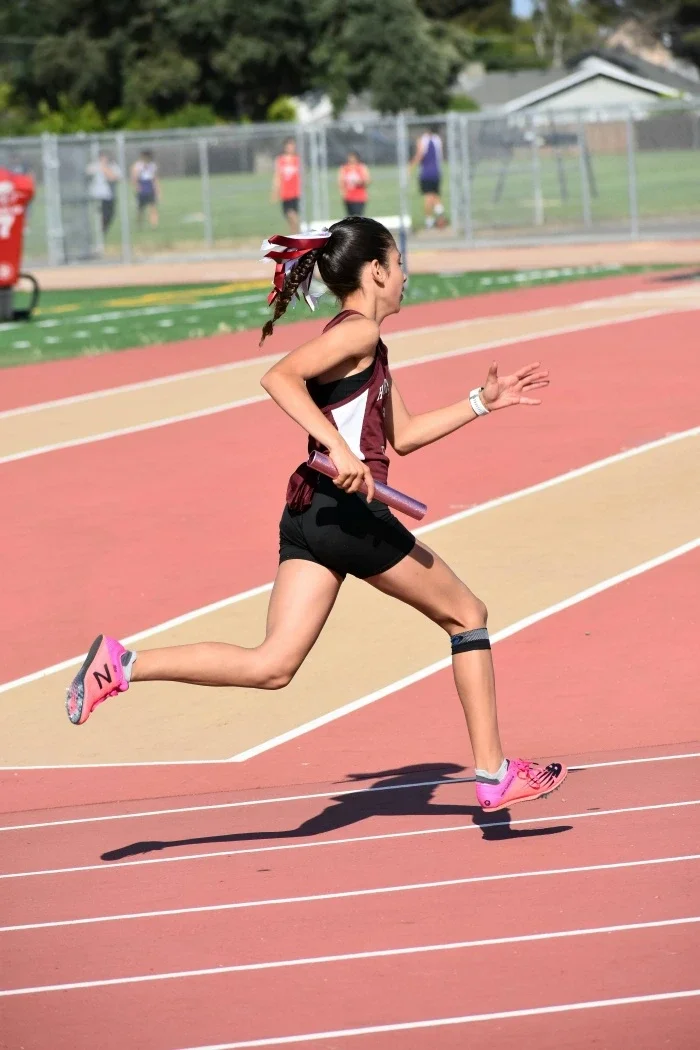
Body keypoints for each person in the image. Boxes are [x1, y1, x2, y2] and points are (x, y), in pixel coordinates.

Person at [64, 217, 567, 814]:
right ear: (376, 271)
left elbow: (401, 436)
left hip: (312, 511)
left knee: (272, 665)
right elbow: (279, 377)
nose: (406, 275)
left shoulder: (367, 344)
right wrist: (337, 446)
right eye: (399, 262)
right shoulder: (354, 335)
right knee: (468, 614)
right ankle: (494, 774)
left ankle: (123, 664)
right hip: (345, 509)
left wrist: (482, 403)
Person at [410, 125, 445, 229]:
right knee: (435, 195)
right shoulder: (437, 140)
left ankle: (429, 221)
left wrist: (410, 166)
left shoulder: (423, 140)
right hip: (437, 172)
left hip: (426, 173)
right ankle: (440, 212)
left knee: (428, 197)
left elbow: (420, 154)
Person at [87, 150, 121, 235]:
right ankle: (97, 233)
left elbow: (114, 178)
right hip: (96, 195)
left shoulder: (112, 166)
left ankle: (103, 231)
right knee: (99, 214)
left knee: (109, 214)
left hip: (109, 195)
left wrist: (105, 168)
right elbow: (87, 174)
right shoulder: (94, 166)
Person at [272, 138, 301, 235]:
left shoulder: (297, 159)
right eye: (289, 146)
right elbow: (277, 176)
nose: (291, 148)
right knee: (288, 216)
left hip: (295, 192)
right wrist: (275, 191)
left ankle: (297, 235)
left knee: (293, 214)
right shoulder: (280, 160)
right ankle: (295, 235)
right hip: (285, 192)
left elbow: (302, 175)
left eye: (292, 146)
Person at [130, 149, 159, 228]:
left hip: (149, 187)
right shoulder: (137, 165)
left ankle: (154, 225)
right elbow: (134, 177)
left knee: (153, 207)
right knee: (140, 209)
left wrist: (157, 190)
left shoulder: (152, 165)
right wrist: (136, 186)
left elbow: (154, 179)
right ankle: (139, 224)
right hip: (142, 186)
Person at [338, 150, 370, 217]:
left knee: (358, 216)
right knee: (350, 217)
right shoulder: (344, 168)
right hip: (349, 196)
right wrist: (342, 192)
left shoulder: (361, 167)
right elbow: (341, 181)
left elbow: (367, 181)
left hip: (359, 197)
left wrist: (359, 182)